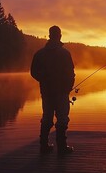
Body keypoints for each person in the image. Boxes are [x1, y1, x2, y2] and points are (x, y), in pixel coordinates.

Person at [31, 25, 75, 154]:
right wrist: (68, 87)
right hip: (61, 92)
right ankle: (62, 147)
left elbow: (33, 72)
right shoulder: (65, 54)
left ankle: (43, 145)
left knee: (47, 118)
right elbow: (70, 74)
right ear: (60, 35)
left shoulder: (39, 54)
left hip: (46, 92)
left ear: (50, 35)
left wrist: (43, 80)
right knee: (62, 118)